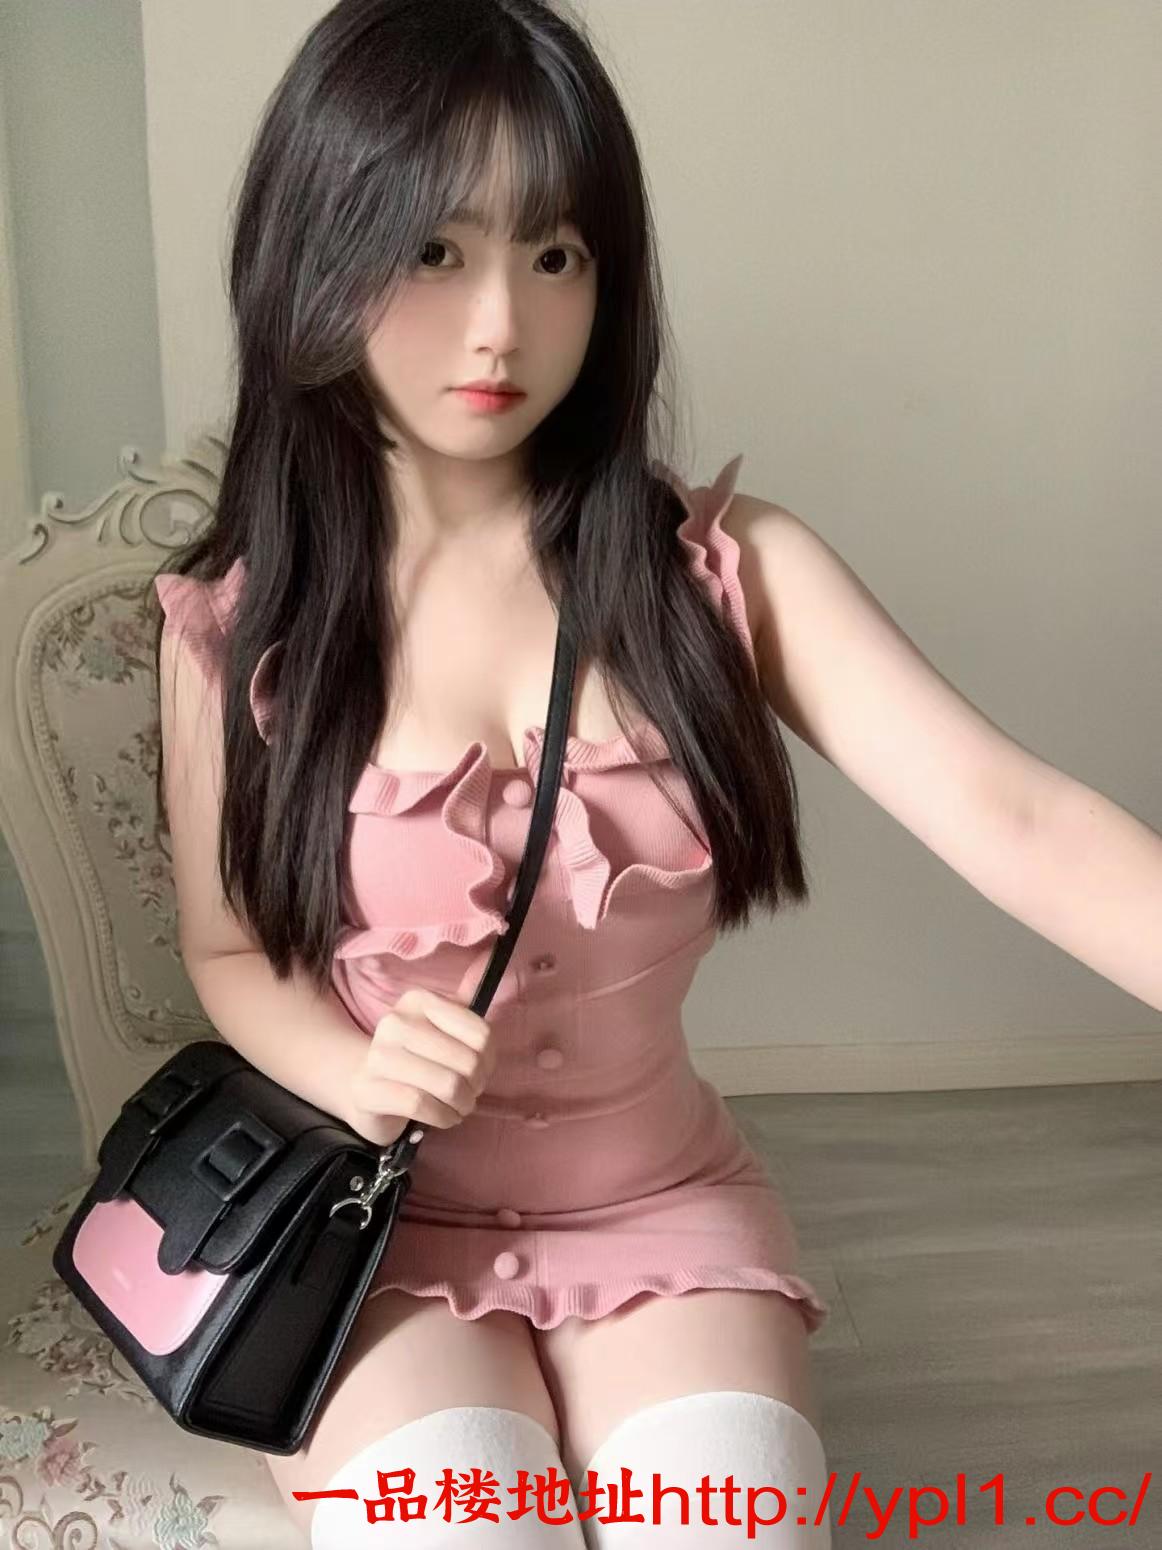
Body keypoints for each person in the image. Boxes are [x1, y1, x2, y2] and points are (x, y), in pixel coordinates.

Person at [150, 0, 1162, 1545]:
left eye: (554, 253)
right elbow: (225, 950)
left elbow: (1016, 818)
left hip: (659, 1214)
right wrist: (352, 1070)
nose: (501, 323)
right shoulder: (238, 628)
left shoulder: (722, 574)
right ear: (314, 250)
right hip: (363, 1227)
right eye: (433, 251)